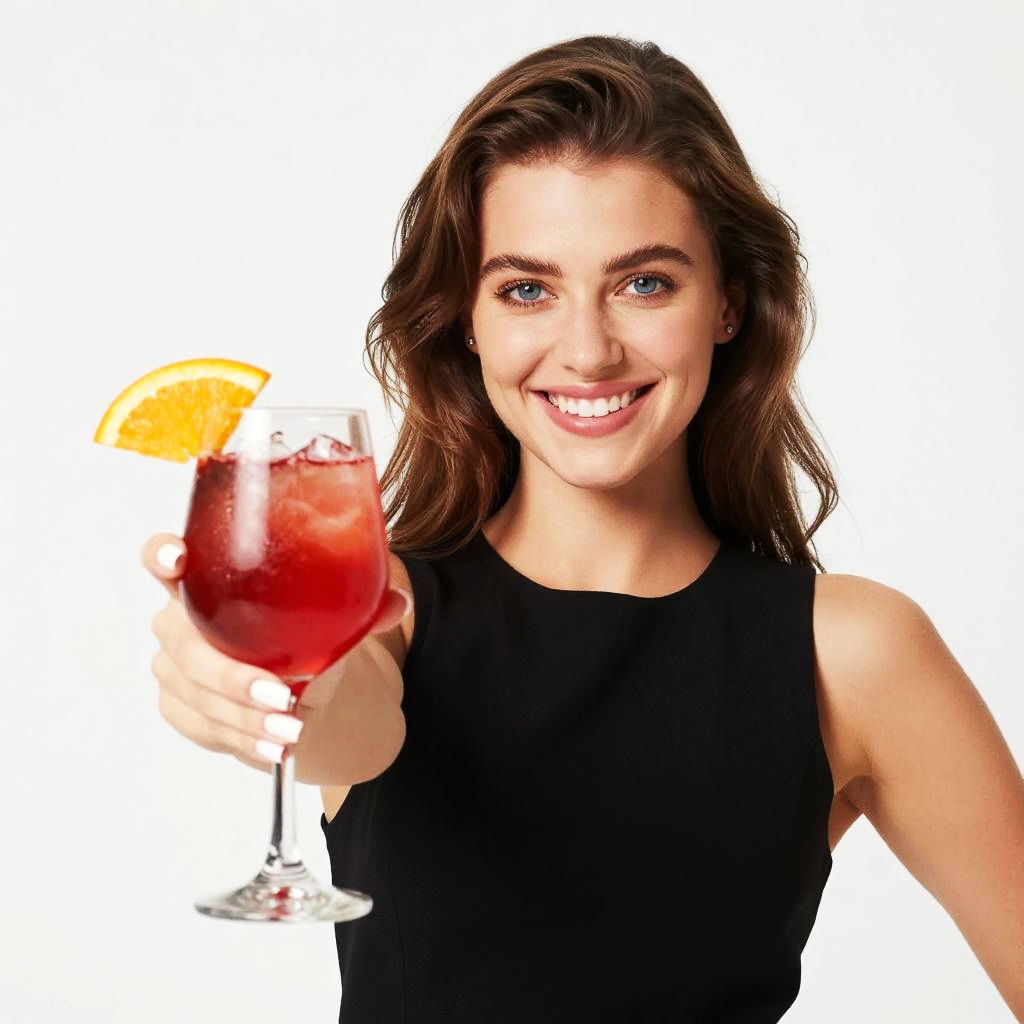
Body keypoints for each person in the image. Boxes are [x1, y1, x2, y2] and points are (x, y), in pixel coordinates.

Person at [143, 35, 1024, 1023]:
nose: (588, 349)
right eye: (526, 289)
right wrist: (257, 684)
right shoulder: (388, 611)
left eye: (645, 283)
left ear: (727, 303)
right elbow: (342, 714)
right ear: (465, 321)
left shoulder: (850, 652)